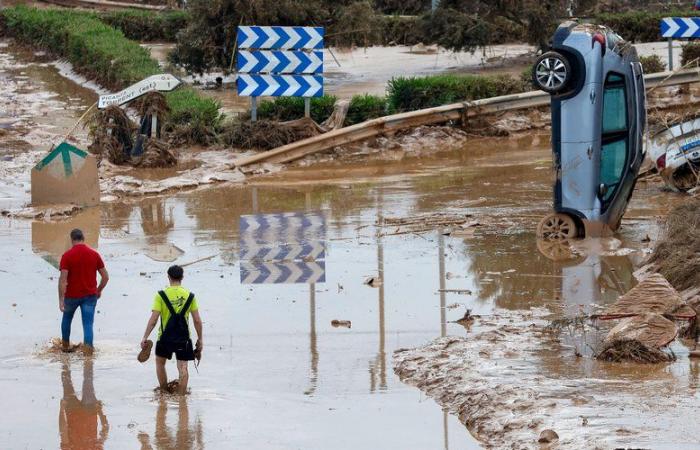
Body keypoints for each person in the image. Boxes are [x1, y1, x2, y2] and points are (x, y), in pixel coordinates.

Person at [140, 265, 203, 395]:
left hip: (164, 338)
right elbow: (197, 320)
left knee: (160, 364)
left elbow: (154, 320)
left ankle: (163, 392)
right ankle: (181, 397)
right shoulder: (190, 296)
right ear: (182, 277)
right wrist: (200, 338)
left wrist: (145, 337)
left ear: (168, 277)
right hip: (183, 339)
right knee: (183, 368)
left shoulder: (160, 295)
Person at [59, 229, 109, 353]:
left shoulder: (67, 256)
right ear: (83, 238)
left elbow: (62, 280)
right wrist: (99, 290)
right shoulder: (94, 254)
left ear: (72, 240)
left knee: (67, 319)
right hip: (90, 296)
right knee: (88, 324)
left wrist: (61, 299)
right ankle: (88, 351)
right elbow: (105, 277)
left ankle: (65, 346)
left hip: (71, 296)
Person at [59, 357, 109, 450]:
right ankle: (70, 357)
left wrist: (100, 411)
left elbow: (105, 430)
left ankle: (71, 356)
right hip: (84, 411)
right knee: (68, 379)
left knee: (86, 378)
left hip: (80, 411)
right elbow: (105, 431)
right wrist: (100, 411)